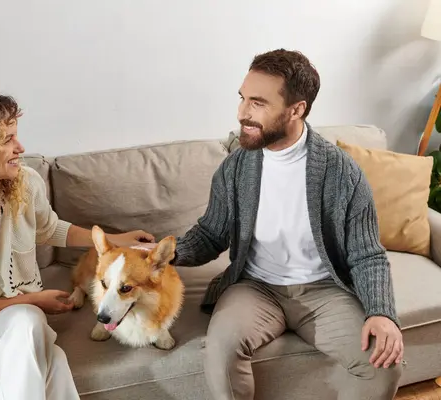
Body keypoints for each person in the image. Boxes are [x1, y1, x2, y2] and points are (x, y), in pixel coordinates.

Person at [139, 49, 404, 399]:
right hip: (256, 288)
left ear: (297, 109)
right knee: (220, 351)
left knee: (383, 365)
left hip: (324, 291)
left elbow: (367, 254)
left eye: (258, 103)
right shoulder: (236, 168)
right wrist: (161, 255)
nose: (242, 112)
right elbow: (211, 233)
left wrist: (381, 313)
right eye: (242, 98)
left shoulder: (342, 173)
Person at [0, 92, 155, 400]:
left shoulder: (25, 183)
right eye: (7, 139)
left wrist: (115, 240)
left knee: (25, 323)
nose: (20, 148)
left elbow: (49, 229)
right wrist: (37, 300)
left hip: (18, 310)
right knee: (48, 360)